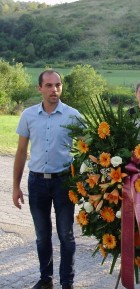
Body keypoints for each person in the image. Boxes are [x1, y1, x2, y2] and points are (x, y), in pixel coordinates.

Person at [12, 70, 82, 289]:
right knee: (42, 236)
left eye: (58, 85)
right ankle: (46, 280)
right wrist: (15, 186)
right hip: (37, 182)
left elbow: (89, 148)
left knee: (66, 235)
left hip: (64, 183)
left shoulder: (73, 115)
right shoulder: (28, 115)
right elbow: (21, 151)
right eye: (49, 85)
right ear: (39, 88)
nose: (54, 90)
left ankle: (67, 282)